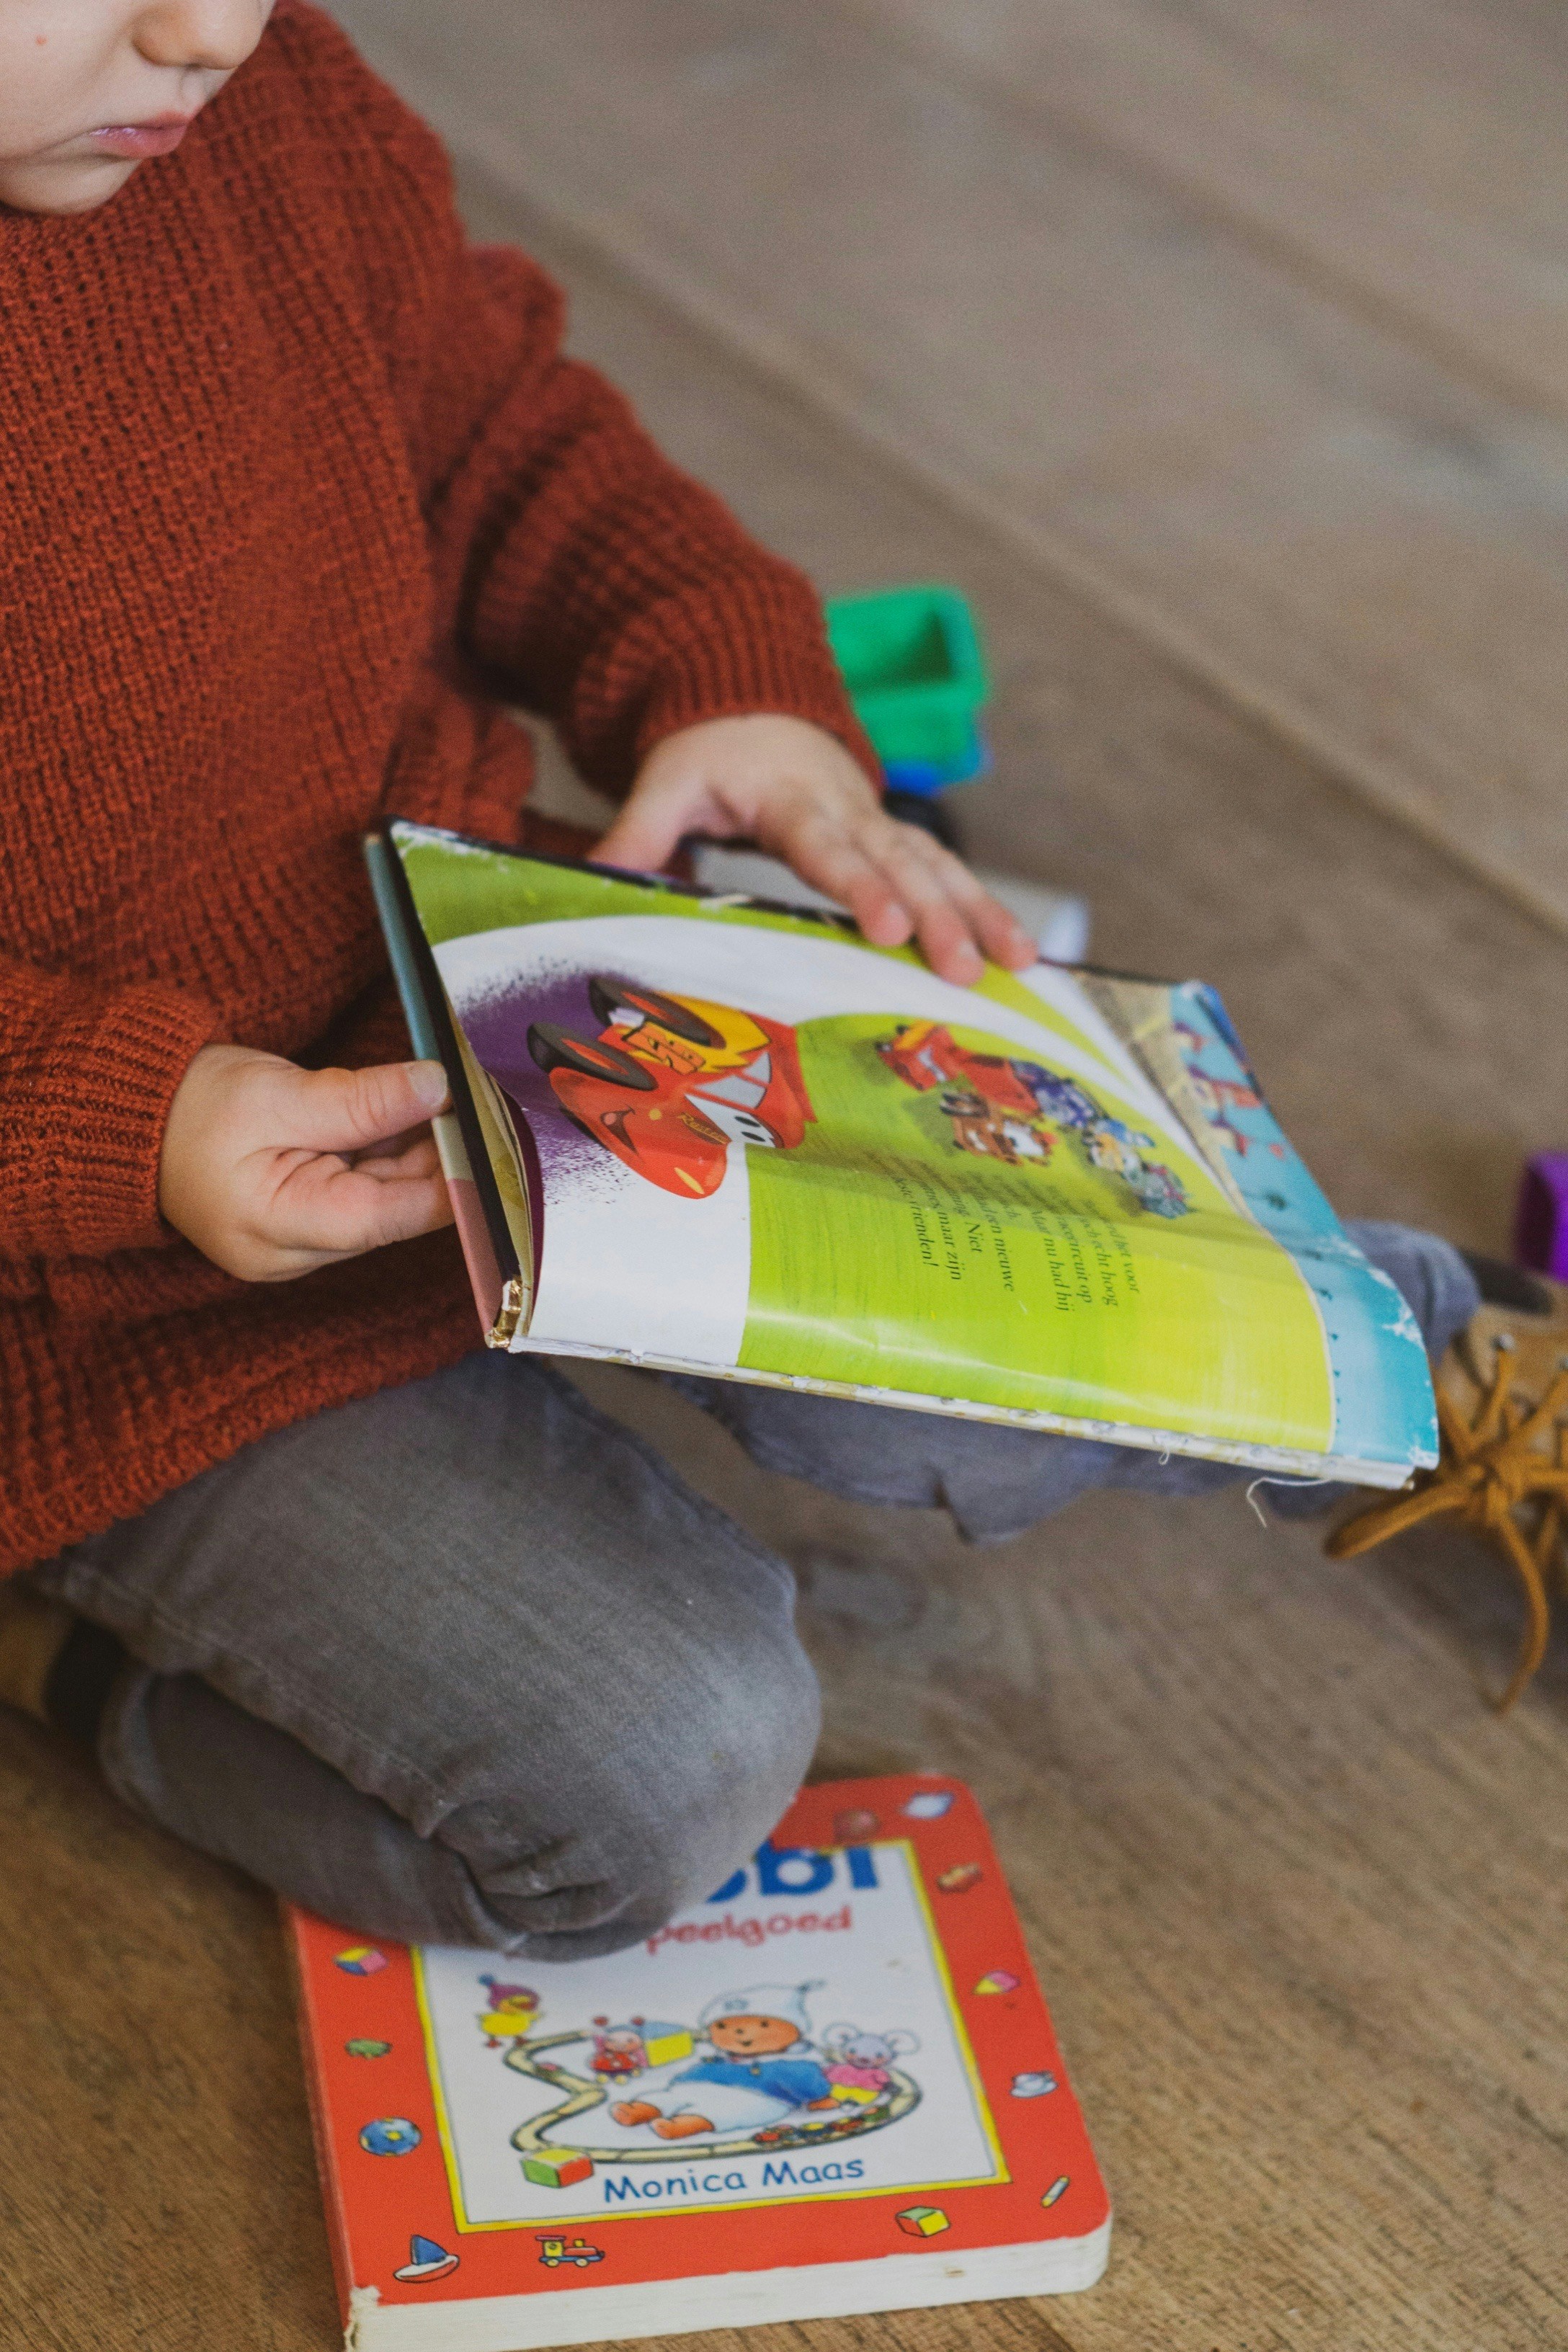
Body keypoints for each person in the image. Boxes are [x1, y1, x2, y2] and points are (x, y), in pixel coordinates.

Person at [0, 0, 1514, 1959]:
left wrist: (710, 665)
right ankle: (72, 1658)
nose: (204, 26)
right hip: (99, 1305)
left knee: (1016, 1328)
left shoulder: (260, 102)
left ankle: (1431, 1357)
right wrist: (131, 1122)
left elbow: (494, 429)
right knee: (655, 1774)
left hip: (481, 994)